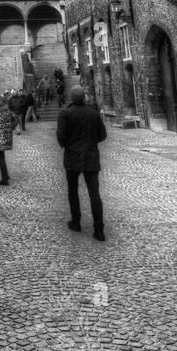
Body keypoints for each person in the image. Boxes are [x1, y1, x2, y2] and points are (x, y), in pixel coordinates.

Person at [56, 85, 106, 241]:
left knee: (73, 189)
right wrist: (90, 143)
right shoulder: (93, 113)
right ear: (84, 97)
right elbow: (102, 135)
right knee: (94, 193)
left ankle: (76, 221)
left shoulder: (65, 113)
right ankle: (99, 230)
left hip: (72, 156)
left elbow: (61, 137)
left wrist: (69, 145)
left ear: (71, 98)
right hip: (91, 155)